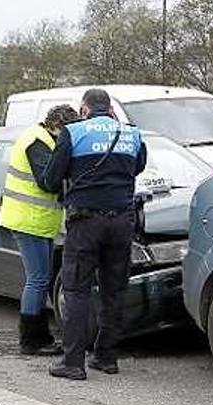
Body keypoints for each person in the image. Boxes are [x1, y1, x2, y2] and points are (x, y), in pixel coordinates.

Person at [38, 89, 147, 380]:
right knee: (114, 290)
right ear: (109, 109)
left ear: (84, 109)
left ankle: (73, 362)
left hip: (85, 222)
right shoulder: (132, 134)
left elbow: (50, 180)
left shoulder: (73, 133)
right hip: (122, 221)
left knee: (76, 289)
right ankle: (106, 357)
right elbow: (138, 167)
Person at [0, 105, 79, 356]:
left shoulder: (41, 137)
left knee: (40, 279)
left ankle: (38, 336)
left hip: (37, 221)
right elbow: (48, 182)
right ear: (58, 127)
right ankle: (32, 340)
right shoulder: (37, 142)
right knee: (38, 279)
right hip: (28, 220)